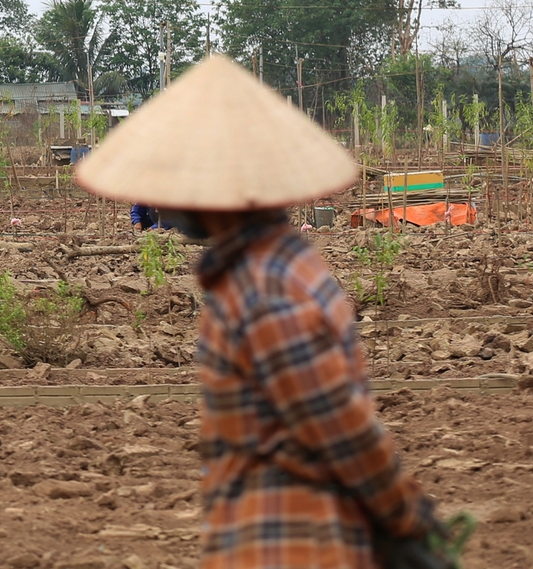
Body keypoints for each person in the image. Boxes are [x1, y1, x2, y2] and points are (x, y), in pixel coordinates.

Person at [75, 54, 461, 569]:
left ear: (219, 195)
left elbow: (340, 427)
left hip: (286, 543)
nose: (160, 201)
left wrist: (408, 520)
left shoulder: (263, 293)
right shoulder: (272, 269)